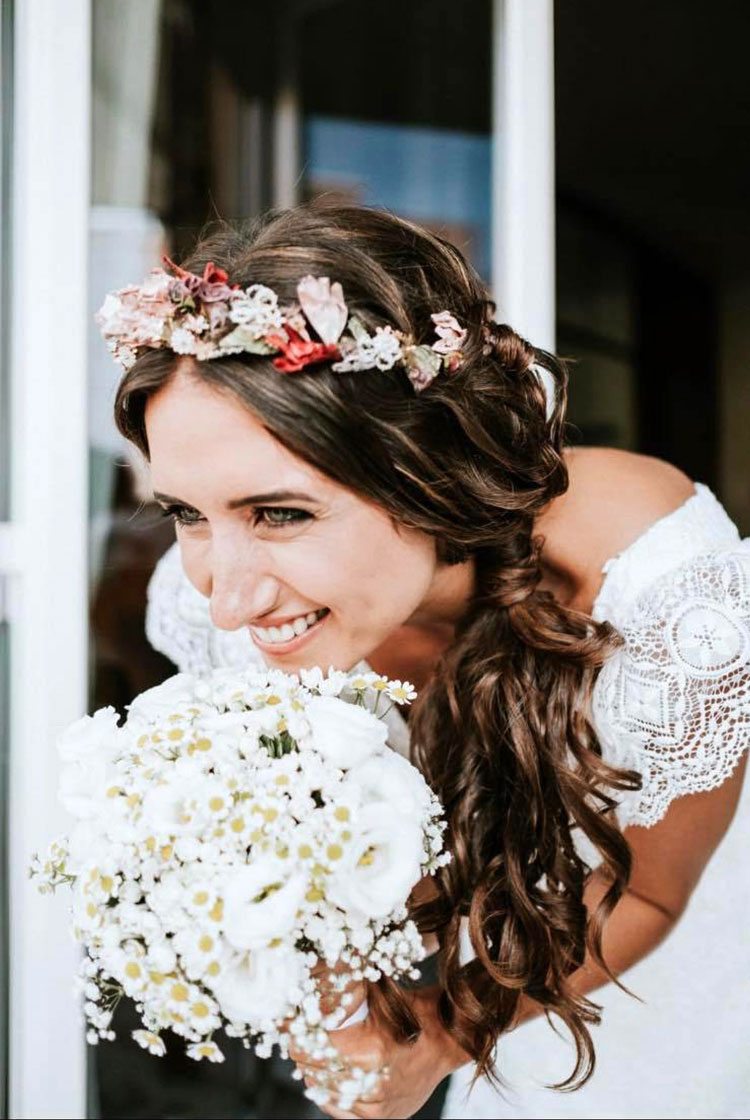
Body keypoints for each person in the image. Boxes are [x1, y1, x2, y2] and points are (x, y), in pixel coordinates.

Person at [101, 202, 750, 1120]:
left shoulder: (670, 591)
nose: (227, 598)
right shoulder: (215, 600)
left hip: (660, 967)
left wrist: (441, 1034)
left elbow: (648, 887)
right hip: (494, 956)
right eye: (187, 513)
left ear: (428, 471)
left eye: (280, 513)